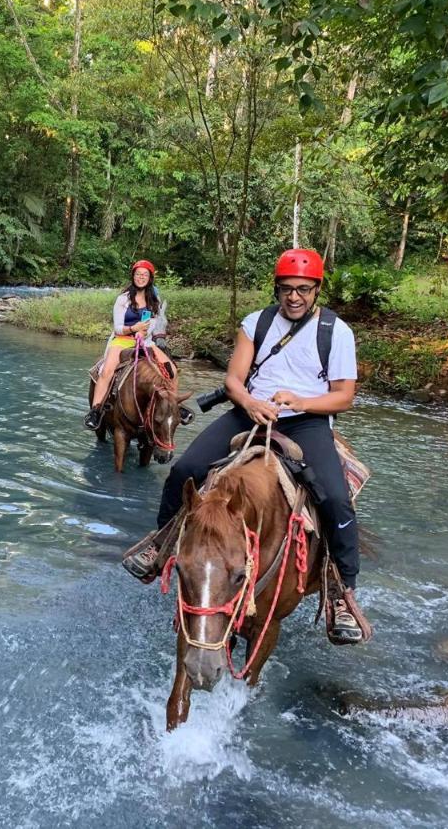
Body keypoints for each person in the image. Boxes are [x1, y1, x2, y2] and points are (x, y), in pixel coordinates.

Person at [124, 248, 368, 643]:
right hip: (249, 411)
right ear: (277, 288)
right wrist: (251, 402)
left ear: (316, 290)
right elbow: (235, 379)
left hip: (306, 420)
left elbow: (344, 396)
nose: (294, 297)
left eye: (303, 289)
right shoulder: (256, 323)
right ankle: (162, 544)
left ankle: (342, 589)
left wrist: (303, 402)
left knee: (337, 499)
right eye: (287, 289)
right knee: (185, 470)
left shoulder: (336, 332)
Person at [84, 260, 192, 431]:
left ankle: (173, 404)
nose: (141, 277)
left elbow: (152, 324)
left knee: (171, 369)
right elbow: (118, 328)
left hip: (145, 342)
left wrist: (143, 333)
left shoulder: (152, 300)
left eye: (144, 275)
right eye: (138, 274)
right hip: (122, 341)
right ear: (133, 276)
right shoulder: (123, 299)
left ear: (150, 279)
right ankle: (96, 410)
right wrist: (134, 329)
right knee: (107, 371)